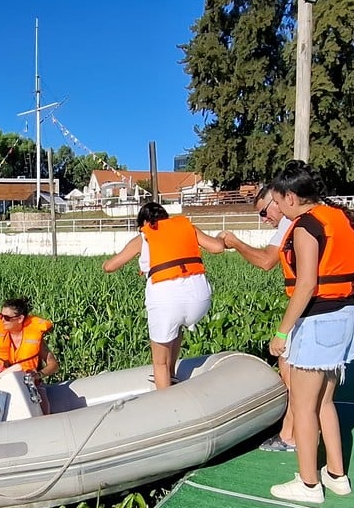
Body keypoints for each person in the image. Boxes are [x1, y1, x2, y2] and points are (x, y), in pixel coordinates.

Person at [265, 160, 354, 504]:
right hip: (350, 316)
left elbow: (307, 284)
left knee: (303, 406)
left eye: (277, 201)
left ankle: (309, 484)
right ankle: (337, 475)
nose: (277, 208)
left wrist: (282, 333)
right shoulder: (342, 219)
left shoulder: (306, 226)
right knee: (325, 402)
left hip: (319, 323)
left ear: (291, 197)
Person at [103, 202, 225, 389]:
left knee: (159, 363)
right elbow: (217, 247)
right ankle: (172, 375)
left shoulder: (144, 236)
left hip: (166, 299)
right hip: (199, 298)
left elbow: (110, 267)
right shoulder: (186, 227)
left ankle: (166, 398)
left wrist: (105, 263)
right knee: (177, 327)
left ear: (144, 223)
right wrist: (221, 237)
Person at [219, 194, 297, 452]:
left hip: (309, 305)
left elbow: (266, 261)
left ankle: (290, 434)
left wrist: (235, 243)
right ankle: (295, 429)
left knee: (289, 368)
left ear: (279, 200)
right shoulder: (326, 218)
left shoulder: (291, 221)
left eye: (264, 212)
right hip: (336, 306)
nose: (264, 219)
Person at [0, 298, 59, 412]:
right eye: (1, 316)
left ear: (20, 319)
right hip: (2, 387)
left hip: (30, 386)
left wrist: (37, 375)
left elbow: (53, 365)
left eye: (7, 318)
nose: (2, 320)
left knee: (44, 410)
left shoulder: (34, 339)